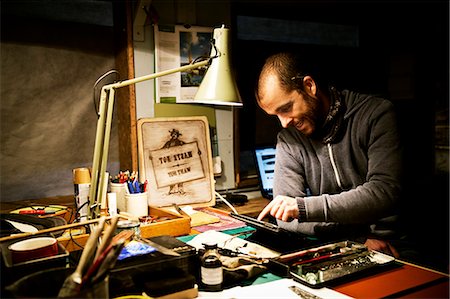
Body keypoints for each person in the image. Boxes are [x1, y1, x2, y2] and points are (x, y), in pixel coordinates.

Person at [255, 52, 407, 258]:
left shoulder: (376, 115)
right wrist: (356, 240)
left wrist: (303, 208)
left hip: (395, 248)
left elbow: (384, 192)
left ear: (309, 86)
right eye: (276, 116)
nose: (284, 123)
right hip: (341, 246)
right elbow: (285, 219)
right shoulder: (289, 139)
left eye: (286, 108)